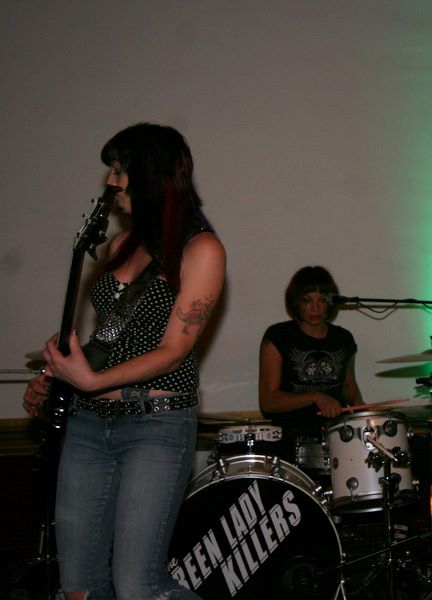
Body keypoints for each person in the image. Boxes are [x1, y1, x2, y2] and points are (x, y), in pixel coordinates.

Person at [23, 123, 225, 600]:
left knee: (138, 586)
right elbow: (107, 339)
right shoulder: (120, 246)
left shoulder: (201, 248)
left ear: (151, 174)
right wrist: (56, 372)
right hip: (88, 424)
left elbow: (173, 350)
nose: (110, 181)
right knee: (78, 588)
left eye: (119, 169)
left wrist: (90, 380)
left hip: (155, 426)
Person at [258, 265, 364, 464]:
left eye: (322, 300)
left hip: (338, 438)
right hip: (292, 441)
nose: (315, 308)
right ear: (295, 301)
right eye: (306, 300)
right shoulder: (279, 336)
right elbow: (268, 402)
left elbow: (349, 386)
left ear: (331, 302)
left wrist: (366, 420)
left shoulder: (343, 338)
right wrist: (316, 397)